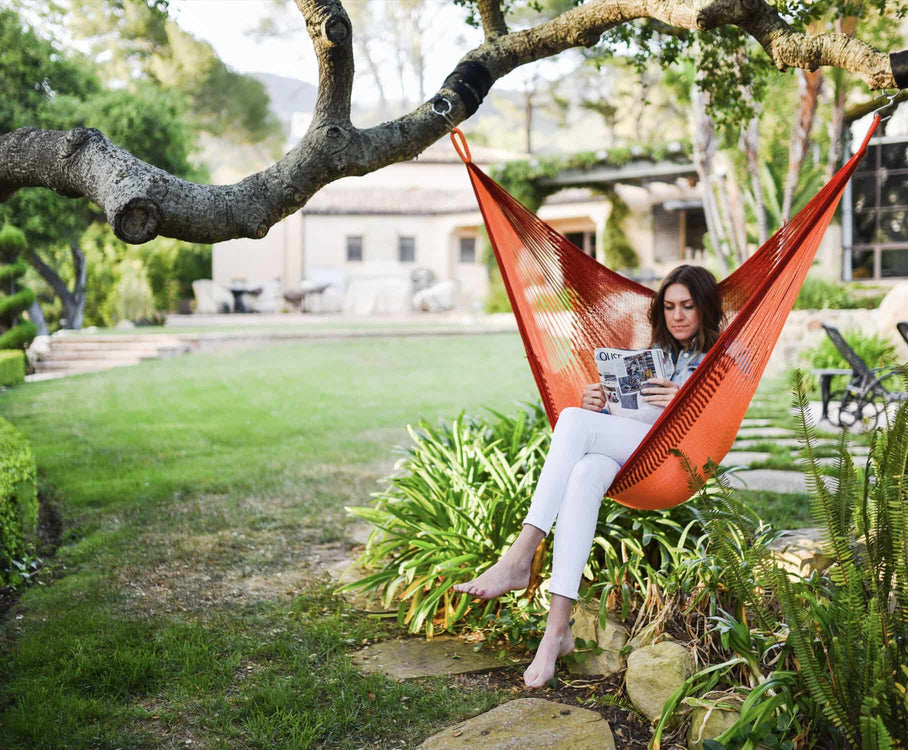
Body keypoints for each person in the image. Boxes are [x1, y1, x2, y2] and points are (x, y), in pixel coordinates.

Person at [453, 264, 723, 688]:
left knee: (574, 424)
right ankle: (556, 631)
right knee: (582, 471)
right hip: (634, 454)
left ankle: (520, 557)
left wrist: (684, 402)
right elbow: (629, 416)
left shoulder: (723, 360)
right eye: (669, 306)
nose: (678, 315)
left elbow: (717, 429)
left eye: (688, 306)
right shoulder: (656, 354)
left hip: (674, 460)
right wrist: (599, 401)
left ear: (705, 308)